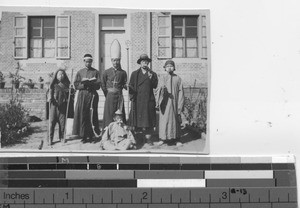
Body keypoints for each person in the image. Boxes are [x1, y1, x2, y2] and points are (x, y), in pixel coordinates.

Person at [128, 54, 158, 144]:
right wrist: (131, 95)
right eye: (143, 61)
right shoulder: (134, 74)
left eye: (146, 61)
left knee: (148, 119)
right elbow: (131, 86)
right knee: (137, 120)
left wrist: (151, 78)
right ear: (140, 63)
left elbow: (155, 85)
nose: (144, 63)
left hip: (148, 100)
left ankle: (148, 138)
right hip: (138, 100)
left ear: (148, 63)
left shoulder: (152, 74)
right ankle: (138, 138)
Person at [72, 54, 101, 142]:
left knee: (92, 115)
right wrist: (83, 85)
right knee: (83, 115)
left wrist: (92, 84)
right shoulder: (80, 72)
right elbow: (76, 85)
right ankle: (84, 136)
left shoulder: (96, 72)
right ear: (84, 62)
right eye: (86, 62)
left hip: (92, 95)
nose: (88, 63)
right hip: (83, 95)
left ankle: (92, 136)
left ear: (92, 62)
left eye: (90, 62)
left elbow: (98, 85)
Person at [156, 60, 184, 146]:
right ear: (165, 68)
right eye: (167, 66)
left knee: (175, 121)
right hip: (165, 104)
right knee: (164, 121)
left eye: (171, 66)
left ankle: (177, 139)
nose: (169, 67)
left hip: (174, 105)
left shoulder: (178, 78)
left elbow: (181, 92)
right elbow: (158, 90)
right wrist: (162, 90)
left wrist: (180, 105)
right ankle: (163, 139)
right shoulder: (162, 78)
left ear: (174, 68)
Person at [102, 39, 127, 129]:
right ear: (111, 61)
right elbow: (103, 84)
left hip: (119, 96)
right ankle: (108, 133)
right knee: (109, 115)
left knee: (119, 114)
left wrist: (126, 86)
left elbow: (124, 84)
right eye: (114, 60)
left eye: (117, 60)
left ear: (119, 60)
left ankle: (119, 133)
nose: (115, 62)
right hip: (109, 96)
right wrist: (108, 94)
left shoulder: (123, 72)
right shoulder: (106, 72)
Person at [49, 69, 74, 145]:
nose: (61, 75)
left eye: (62, 74)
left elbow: (71, 94)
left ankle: (62, 137)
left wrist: (71, 91)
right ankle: (50, 138)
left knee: (62, 123)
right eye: (59, 74)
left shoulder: (66, 85)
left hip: (63, 106)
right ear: (56, 75)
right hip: (54, 106)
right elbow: (49, 94)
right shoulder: (53, 85)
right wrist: (50, 98)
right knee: (52, 122)